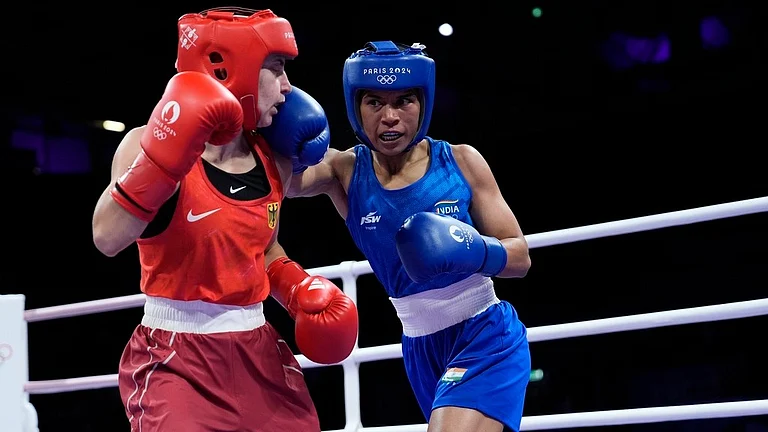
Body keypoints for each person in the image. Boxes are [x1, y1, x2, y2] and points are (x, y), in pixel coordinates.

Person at [91, 7, 358, 432]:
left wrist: (296, 287)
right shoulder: (146, 144)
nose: (288, 87)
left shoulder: (274, 157)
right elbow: (106, 237)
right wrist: (162, 162)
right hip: (175, 357)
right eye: (276, 69)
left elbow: (262, 246)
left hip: (258, 348)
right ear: (229, 70)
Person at [277, 41, 532, 431]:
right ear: (356, 107)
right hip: (419, 346)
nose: (390, 117)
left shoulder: (461, 161)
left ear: (423, 104)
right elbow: (280, 184)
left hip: (485, 334)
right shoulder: (344, 170)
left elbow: (521, 258)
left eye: (404, 102)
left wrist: (474, 250)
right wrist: (276, 133)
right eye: (375, 103)